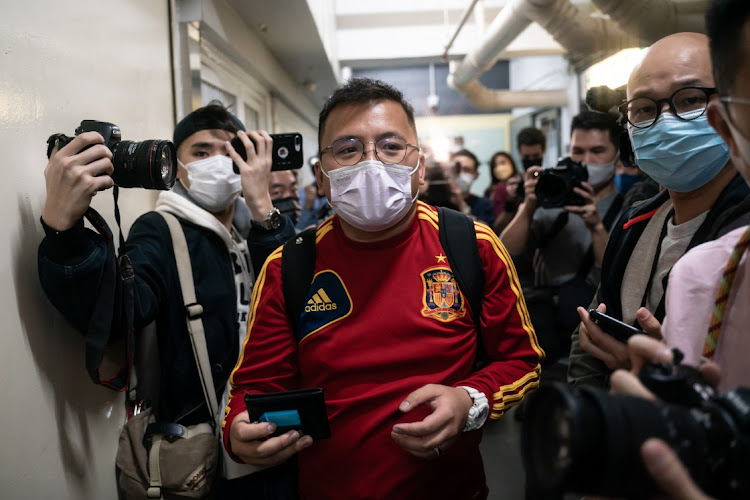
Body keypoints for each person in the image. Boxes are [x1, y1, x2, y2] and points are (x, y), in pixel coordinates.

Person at [223, 77, 543, 500]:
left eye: (391, 147)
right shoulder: (288, 268)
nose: (371, 163)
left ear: (421, 168)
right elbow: (255, 388)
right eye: (348, 149)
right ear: (321, 177)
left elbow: (522, 361)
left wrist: (470, 400)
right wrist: (239, 431)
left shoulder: (474, 246)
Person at [37, 102, 296, 494]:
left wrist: (263, 207)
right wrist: (65, 235)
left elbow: (297, 298)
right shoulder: (160, 229)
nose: (218, 162)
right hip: (203, 459)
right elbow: (122, 310)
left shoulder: (253, 230)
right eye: (202, 152)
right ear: (177, 166)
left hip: (272, 437)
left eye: (230, 152)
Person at [568, 32, 750, 389]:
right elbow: (589, 333)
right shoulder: (635, 221)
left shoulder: (742, 242)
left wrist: (664, 375)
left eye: (690, 99)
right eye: (645, 109)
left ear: (730, 107)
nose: (666, 122)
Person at [501, 110, 624, 365]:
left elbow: (617, 276)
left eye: (598, 151)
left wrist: (596, 227)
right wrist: (530, 205)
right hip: (545, 332)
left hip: (596, 336)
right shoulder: (551, 198)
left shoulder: (628, 208)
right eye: (578, 151)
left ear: (617, 155)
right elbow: (506, 255)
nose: (587, 160)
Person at [450, 148, 494, 225]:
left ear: (476, 175)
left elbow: (483, 233)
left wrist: (462, 205)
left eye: (466, 170)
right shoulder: (435, 200)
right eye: (456, 169)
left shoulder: (484, 205)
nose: (460, 173)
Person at [484, 152, 522, 234]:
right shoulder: (490, 191)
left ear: (511, 163)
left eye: (503, 162)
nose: (499, 167)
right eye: (495, 165)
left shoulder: (523, 182)